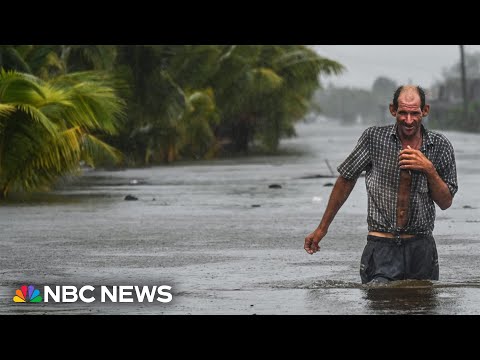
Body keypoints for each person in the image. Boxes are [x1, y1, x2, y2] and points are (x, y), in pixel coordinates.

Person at [304, 85, 458, 284]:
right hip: (381, 245)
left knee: (423, 304)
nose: (408, 120)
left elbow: (446, 202)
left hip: (421, 247)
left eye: (414, 113)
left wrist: (428, 169)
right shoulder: (374, 139)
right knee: (380, 301)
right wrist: (322, 229)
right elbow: (346, 180)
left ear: (425, 111)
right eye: (403, 113)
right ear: (393, 110)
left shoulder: (440, 145)